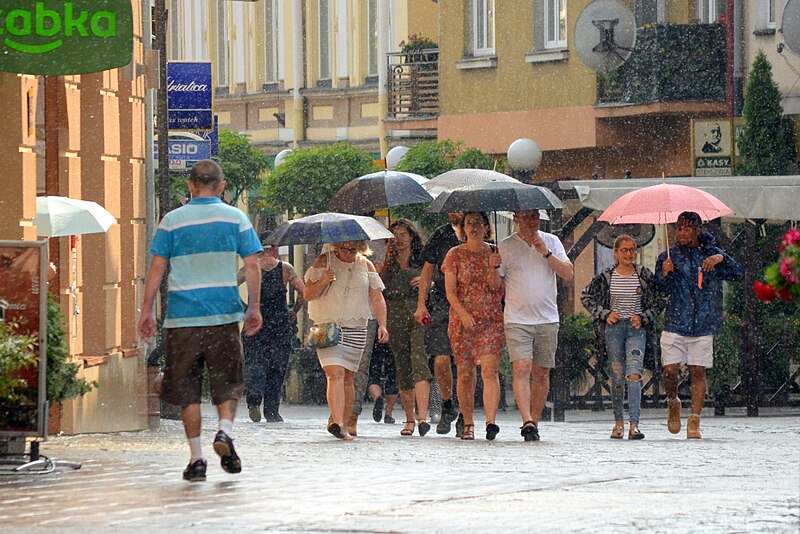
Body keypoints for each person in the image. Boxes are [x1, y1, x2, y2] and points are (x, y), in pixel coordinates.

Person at [137, 159, 263, 482]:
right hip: (223, 316)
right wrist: (254, 307)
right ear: (222, 187)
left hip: (182, 318)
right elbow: (252, 265)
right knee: (228, 382)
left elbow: (156, 269)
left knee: (187, 389)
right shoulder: (236, 218)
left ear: (190, 186)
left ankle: (196, 459)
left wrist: (147, 309)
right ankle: (224, 432)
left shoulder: (171, 221)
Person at [655, 211, 743, 439]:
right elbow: (659, 291)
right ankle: (673, 401)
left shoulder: (710, 253)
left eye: (686, 229)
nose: (681, 233)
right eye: (678, 229)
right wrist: (665, 275)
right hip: (675, 321)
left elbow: (738, 274)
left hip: (703, 322)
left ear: (697, 231)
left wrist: (722, 258)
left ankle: (694, 419)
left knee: (698, 371)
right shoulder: (668, 256)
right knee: (669, 371)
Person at [497, 210, 573, 442]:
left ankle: (535, 421)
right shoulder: (505, 245)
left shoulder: (552, 241)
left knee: (542, 372)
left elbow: (568, 274)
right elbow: (496, 285)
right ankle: (526, 419)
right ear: (516, 220)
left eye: (534, 217)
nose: (531, 222)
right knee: (521, 368)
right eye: (525, 217)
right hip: (517, 318)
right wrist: (492, 267)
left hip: (547, 318)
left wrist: (546, 252)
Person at [581, 235, 665, 440]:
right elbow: (586, 296)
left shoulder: (644, 275)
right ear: (616, 253)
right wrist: (605, 314)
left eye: (632, 250)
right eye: (624, 250)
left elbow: (660, 299)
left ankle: (634, 424)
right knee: (617, 376)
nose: (628, 254)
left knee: (634, 374)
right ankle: (618, 422)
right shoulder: (606, 277)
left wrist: (644, 317)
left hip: (636, 329)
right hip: (614, 330)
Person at [304, 240, 388, 440]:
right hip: (327, 327)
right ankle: (338, 423)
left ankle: (342, 418)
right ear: (336, 246)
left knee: (349, 378)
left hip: (356, 327)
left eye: (354, 249)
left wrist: (383, 324)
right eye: (345, 249)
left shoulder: (366, 265)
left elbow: (377, 297)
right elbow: (308, 294)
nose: (349, 253)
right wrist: (324, 280)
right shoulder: (324, 261)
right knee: (335, 374)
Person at [442, 212, 504, 440]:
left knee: (489, 370)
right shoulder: (454, 255)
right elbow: (450, 292)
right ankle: (468, 422)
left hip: (490, 320)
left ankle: (490, 422)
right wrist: (463, 314)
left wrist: (493, 268)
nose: (474, 227)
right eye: (470, 223)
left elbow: (497, 288)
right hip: (462, 320)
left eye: (479, 223)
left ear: (487, 226)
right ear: (463, 228)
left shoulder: (495, 251)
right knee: (465, 373)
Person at [237, 243, 305, 423]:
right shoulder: (286, 269)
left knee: (255, 361)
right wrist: (294, 310)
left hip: (254, 321)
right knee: (277, 366)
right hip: (280, 323)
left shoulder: (250, 268)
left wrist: (245, 307)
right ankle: (272, 411)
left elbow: (229, 287)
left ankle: (254, 397)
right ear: (275, 250)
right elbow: (303, 292)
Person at [381, 219, 432, 436]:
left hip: (418, 311)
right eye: (395, 235)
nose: (399, 239)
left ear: (412, 236)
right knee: (402, 365)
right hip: (395, 314)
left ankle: (422, 416)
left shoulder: (422, 259)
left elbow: (437, 276)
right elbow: (378, 283)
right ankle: (409, 418)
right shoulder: (388, 263)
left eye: (403, 234)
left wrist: (426, 280)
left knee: (419, 360)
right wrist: (386, 257)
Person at [414, 212, 463, 435]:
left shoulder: (482, 231)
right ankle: (447, 402)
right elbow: (427, 270)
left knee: (467, 364)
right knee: (441, 359)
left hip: (473, 303)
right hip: (443, 303)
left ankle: (465, 412)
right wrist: (421, 304)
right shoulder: (442, 235)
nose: (455, 212)